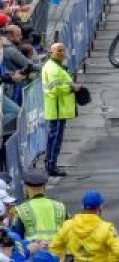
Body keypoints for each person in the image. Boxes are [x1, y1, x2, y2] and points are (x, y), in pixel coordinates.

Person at [48, 191, 119, 262]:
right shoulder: (106, 228)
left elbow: (54, 247)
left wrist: (61, 259)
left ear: (83, 207)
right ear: (99, 208)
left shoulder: (68, 225)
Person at [41, 42, 80, 177]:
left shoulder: (57, 67)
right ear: (51, 53)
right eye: (58, 51)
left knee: (55, 137)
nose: (61, 53)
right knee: (55, 137)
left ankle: (51, 163)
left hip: (59, 108)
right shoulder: (52, 69)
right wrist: (71, 88)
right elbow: (54, 89)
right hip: (57, 108)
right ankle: (51, 165)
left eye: (63, 50)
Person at [10, 170, 67, 242]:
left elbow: (16, 237)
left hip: (34, 251)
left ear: (27, 188)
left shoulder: (21, 210)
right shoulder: (60, 206)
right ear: (44, 187)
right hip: (57, 250)